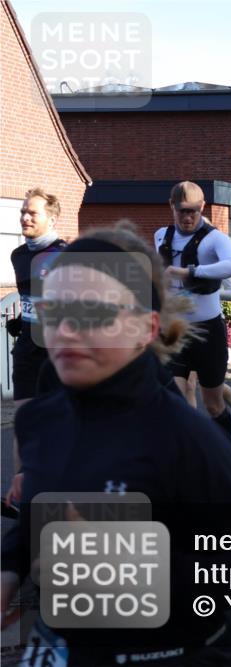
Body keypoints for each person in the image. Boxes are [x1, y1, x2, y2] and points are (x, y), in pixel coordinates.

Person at [0, 222, 231, 665]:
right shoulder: (39, 418)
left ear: (146, 328)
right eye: (56, 310)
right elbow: (47, 506)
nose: (69, 329)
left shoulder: (184, 437)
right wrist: (11, 565)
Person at [155, 181, 231, 439]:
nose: (188, 216)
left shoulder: (214, 238)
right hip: (176, 331)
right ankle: (189, 461)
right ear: (172, 206)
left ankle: (227, 454)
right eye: (182, 210)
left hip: (208, 333)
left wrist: (191, 272)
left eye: (193, 210)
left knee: (214, 405)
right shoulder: (162, 235)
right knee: (179, 402)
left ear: (202, 207)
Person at [4, 188, 68, 507]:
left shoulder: (67, 255)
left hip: (60, 353)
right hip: (29, 349)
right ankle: (23, 499)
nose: (25, 217)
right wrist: (24, 320)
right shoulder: (18, 255)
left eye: (33, 213)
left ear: (52, 218)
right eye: (23, 212)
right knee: (24, 421)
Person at [181, 277, 231, 440]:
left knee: (211, 383)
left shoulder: (216, 261)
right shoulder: (176, 258)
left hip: (211, 326)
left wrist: (208, 292)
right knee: (189, 383)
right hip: (185, 325)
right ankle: (193, 433)